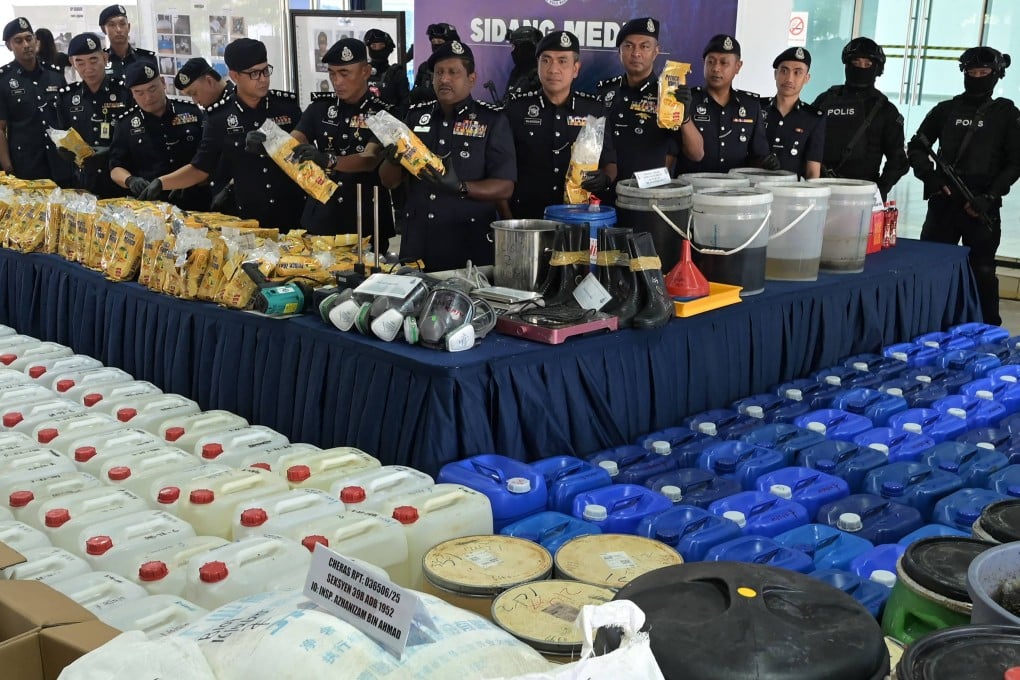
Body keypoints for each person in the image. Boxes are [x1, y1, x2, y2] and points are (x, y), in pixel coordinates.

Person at [907, 46, 1020, 326]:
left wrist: (991, 195)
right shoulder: (946, 110)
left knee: (982, 271)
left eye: (984, 73)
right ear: (964, 73)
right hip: (943, 203)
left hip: (981, 207)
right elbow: (917, 146)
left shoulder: (1006, 114)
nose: (978, 77)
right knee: (930, 268)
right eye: (972, 72)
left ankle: (988, 332)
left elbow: (1016, 162)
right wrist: (930, 177)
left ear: (996, 75)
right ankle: (925, 325)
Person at [379, 39, 516, 271]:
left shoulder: (492, 120)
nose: (444, 79)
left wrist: (461, 186)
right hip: (418, 240)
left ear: (471, 79)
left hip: (468, 242)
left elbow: (505, 187)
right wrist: (392, 160)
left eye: (453, 72)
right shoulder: (414, 117)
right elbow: (389, 181)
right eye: (439, 73)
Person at [143, 38, 306, 229]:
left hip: (292, 213)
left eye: (265, 70)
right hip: (248, 220)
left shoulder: (286, 107)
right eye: (254, 73)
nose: (263, 79)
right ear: (235, 76)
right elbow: (200, 168)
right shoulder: (219, 117)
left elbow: (305, 155)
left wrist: (275, 141)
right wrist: (162, 182)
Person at [505, 30, 616, 218]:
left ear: (575, 69)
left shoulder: (593, 110)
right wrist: (508, 220)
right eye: (546, 60)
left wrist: (604, 180)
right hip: (529, 218)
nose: (553, 69)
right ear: (537, 66)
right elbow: (501, 172)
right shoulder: (516, 109)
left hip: (580, 218)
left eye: (562, 61)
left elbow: (610, 163)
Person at [289, 38, 393, 238]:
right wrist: (271, 144)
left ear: (365, 71)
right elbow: (295, 140)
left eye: (344, 73)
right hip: (322, 215)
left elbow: (370, 159)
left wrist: (328, 160)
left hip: (365, 219)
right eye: (332, 74)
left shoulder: (383, 113)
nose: (337, 82)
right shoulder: (320, 108)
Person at [596, 18, 703, 190]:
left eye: (644, 46)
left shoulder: (670, 95)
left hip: (649, 197)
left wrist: (685, 117)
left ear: (656, 52)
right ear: (620, 51)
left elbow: (697, 154)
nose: (636, 53)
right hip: (606, 193)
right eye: (629, 46)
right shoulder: (606, 92)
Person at [812, 37, 908, 200]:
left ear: (877, 69)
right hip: (821, 190)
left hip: (862, 195)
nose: (861, 68)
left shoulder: (886, 110)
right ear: (847, 65)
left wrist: (879, 191)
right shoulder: (826, 99)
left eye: (867, 64)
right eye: (855, 63)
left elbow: (898, 161)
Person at [109, 61, 207, 210]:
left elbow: (209, 156)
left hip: (195, 199)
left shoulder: (191, 112)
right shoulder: (126, 124)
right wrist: (130, 180)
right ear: (133, 95)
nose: (148, 97)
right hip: (152, 206)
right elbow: (116, 167)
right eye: (139, 93)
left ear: (163, 83)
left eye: (152, 88)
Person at [677, 34, 773, 174]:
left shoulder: (750, 105)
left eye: (724, 63)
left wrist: (767, 163)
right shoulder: (686, 101)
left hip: (736, 191)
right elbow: (672, 152)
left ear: (738, 66)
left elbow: (758, 154)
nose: (716, 68)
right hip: (693, 188)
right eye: (711, 62)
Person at [57, 32, 132, 197]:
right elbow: (62, 134)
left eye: (93, 60)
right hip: (83, 184)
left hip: (119, 181)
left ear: (105, 58)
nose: (88, 69)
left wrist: (110, 150)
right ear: (72, 63)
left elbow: (138, 137)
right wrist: (62, 150)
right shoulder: (67, 97)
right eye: (80, 62)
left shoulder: (125, 92)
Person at [0, 18, 67, 182]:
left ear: (36, 40)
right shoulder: (3, 80)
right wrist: (7, 167)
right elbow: (0, 129)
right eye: (18, 40)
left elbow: (66, 120)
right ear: (9, 45)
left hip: (59, 162)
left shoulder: (55, 75)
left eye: (29, 38)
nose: (26, 45)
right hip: (25, 164)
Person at [764, 46, 825, 178]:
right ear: (775, 74)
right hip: (753, 192)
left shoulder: (813, 118)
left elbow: (812, 172)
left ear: (807, 78)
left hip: (790, 194)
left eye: (797, 72)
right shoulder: (757, 108)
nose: (789, 79)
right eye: (784, 71)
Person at [98, 4, 156, 81]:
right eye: (112, 25)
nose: (118, 30)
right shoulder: (100, 61)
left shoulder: (147, 59)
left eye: (122, 24)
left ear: (128, 27)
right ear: (103, 30)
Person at [409, 23, 459, 105]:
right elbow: (414, 95)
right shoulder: (424, 67)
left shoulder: (459, 68)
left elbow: (457, 95)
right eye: (433, 41)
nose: (436, 44)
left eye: (439, 41)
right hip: (426, 114)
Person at [365, 28, 408, 115]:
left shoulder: (396, 73)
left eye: (381, 45)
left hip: (390, 124)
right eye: (373, 46)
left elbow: (405, 105)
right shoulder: (362, 72)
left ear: (388, 48)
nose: (377, 49)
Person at [503, 26, 542, 102]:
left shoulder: (539, 75)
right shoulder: (517, 70)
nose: (513, 51)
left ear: (524, 48)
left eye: (514, 47)